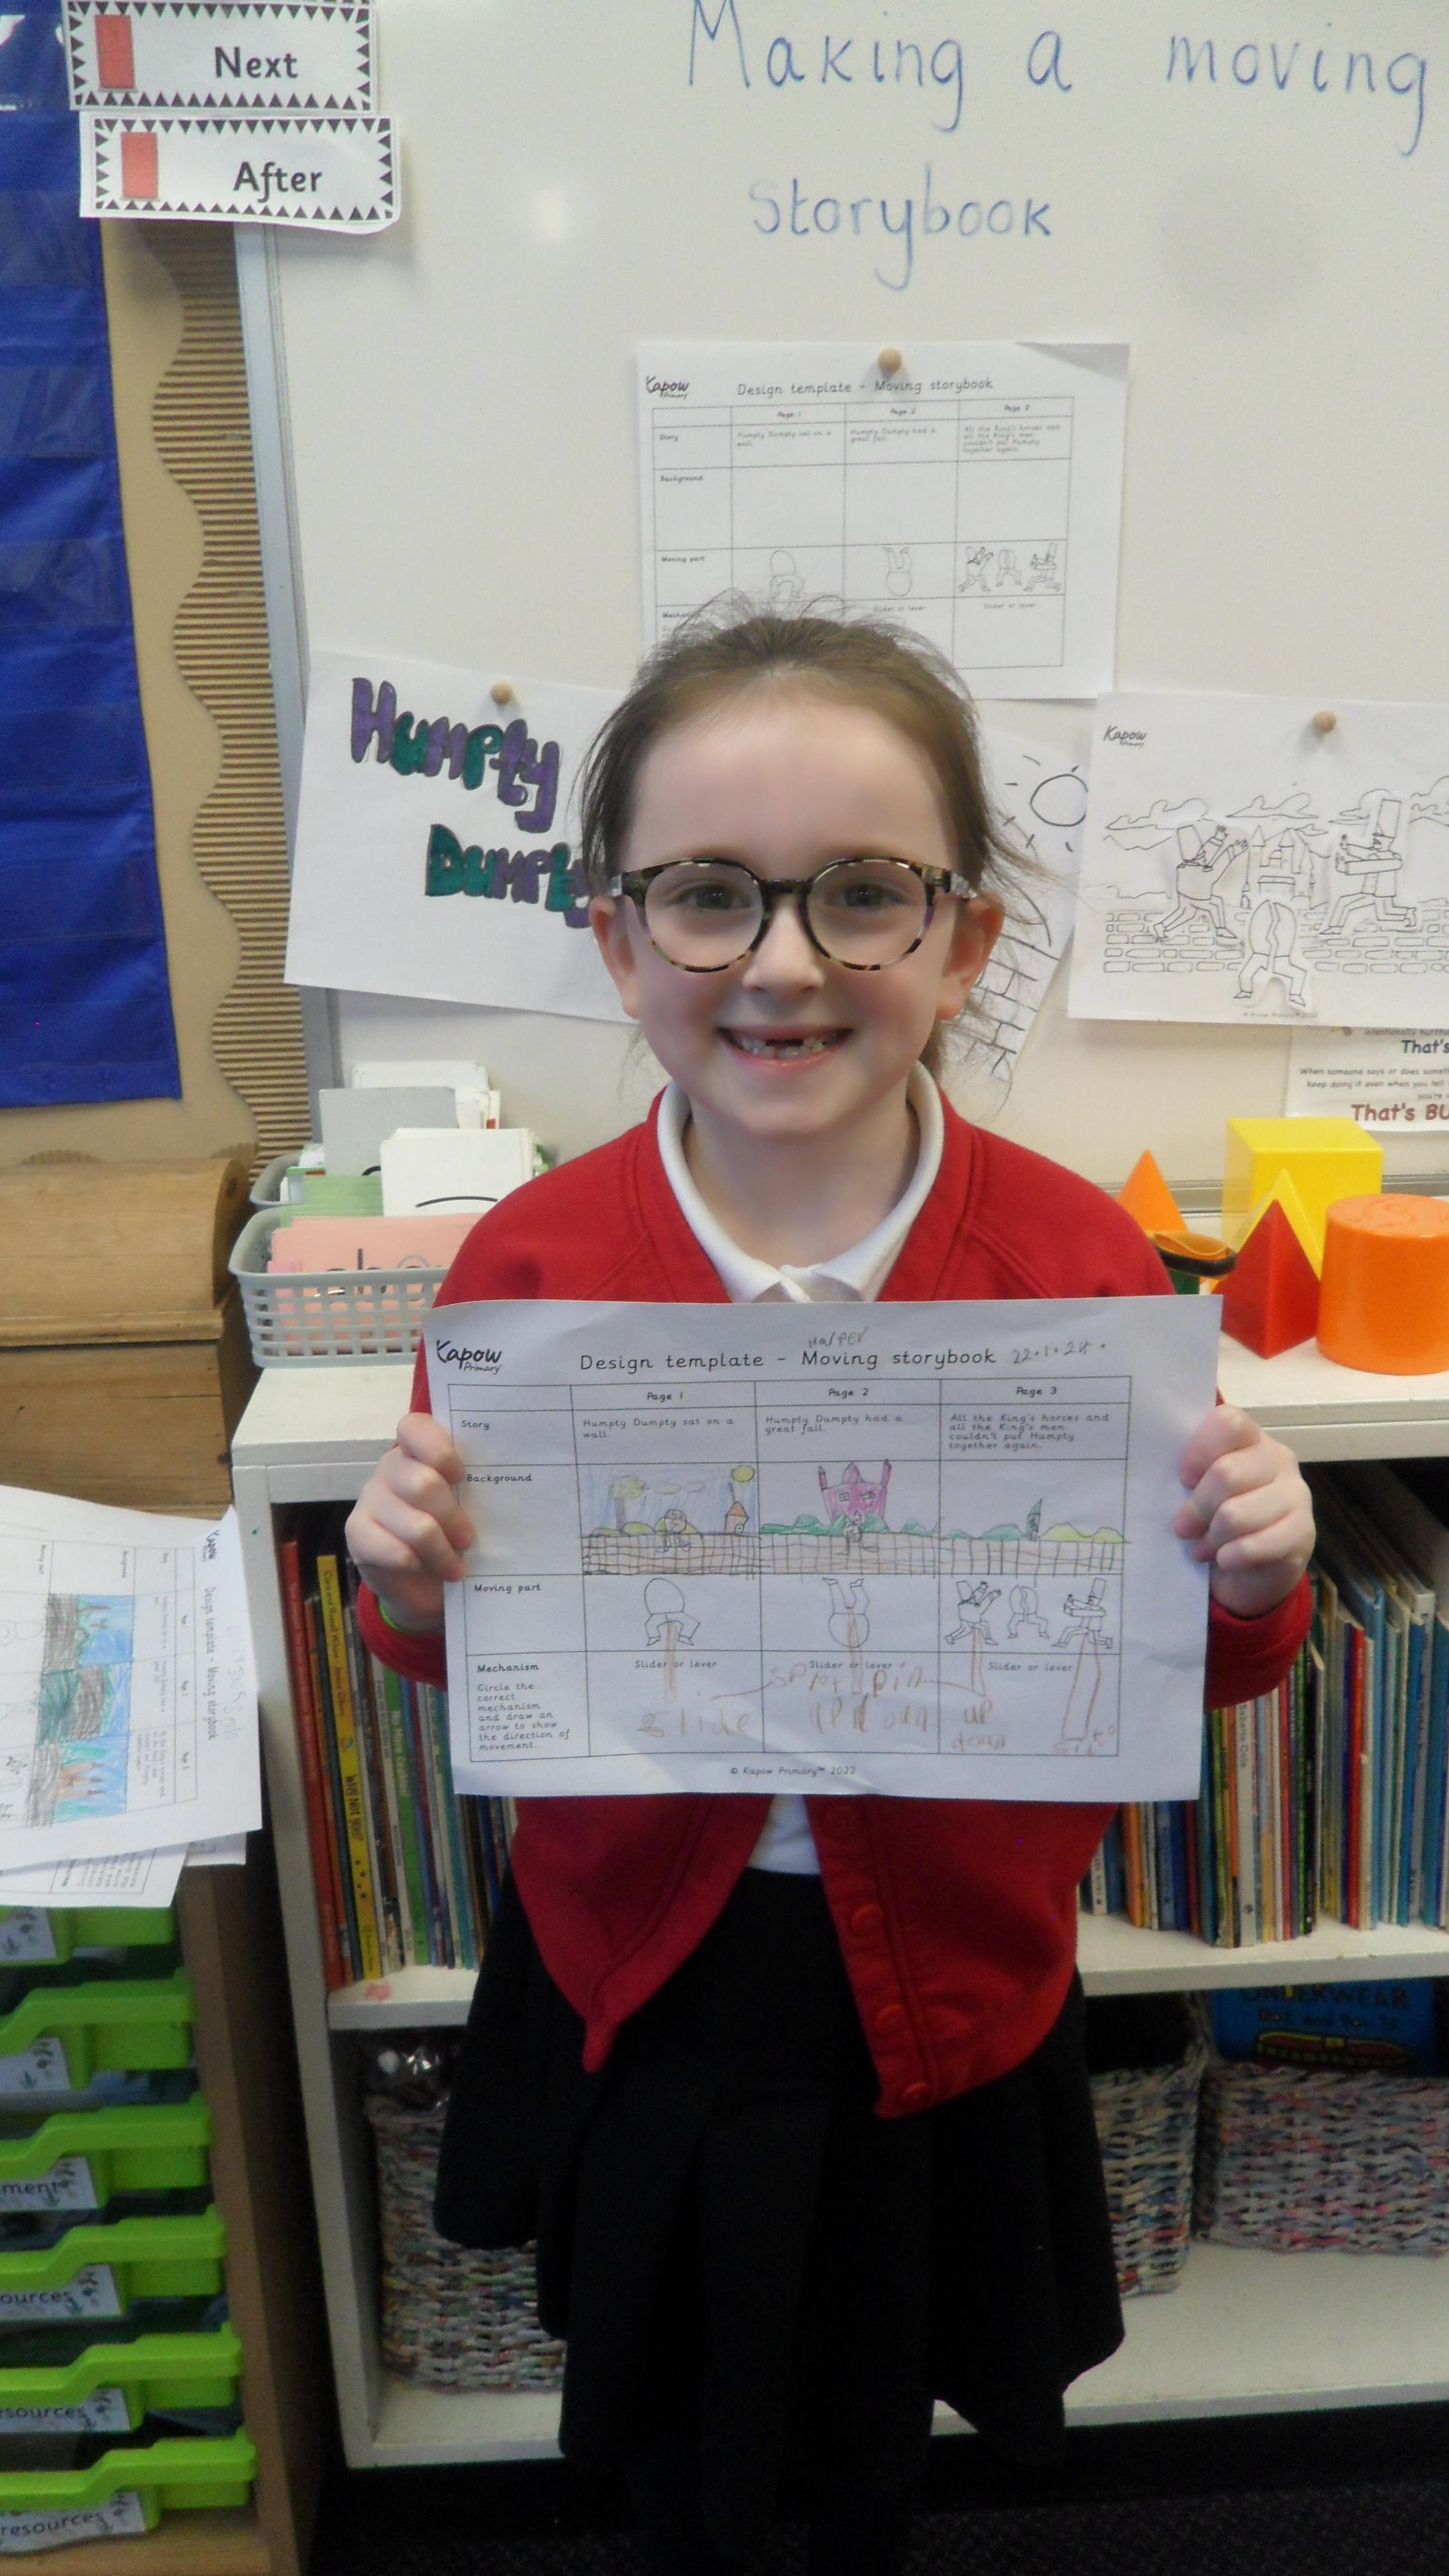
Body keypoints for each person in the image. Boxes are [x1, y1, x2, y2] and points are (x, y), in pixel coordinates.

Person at [345, 610, 1314, 2576]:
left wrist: (1255, 1573)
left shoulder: (1080, 1273)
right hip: (646, 1971)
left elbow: (1188, 1656)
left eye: (862, 894)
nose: (783, 963)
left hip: (945, 1979)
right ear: (620, 944)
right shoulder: (530, 1270)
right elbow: (467, 1640)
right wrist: (410, 1584)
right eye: (710, 895)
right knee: (668, 2413)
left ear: (963, 942)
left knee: (880, 2412)